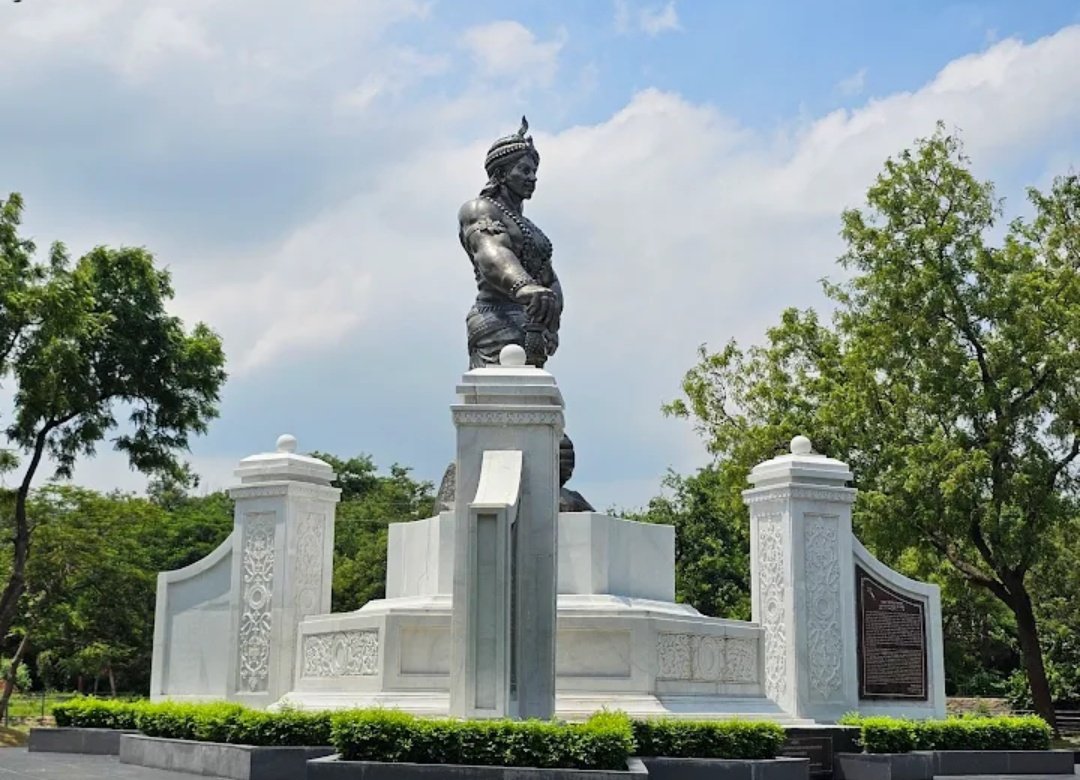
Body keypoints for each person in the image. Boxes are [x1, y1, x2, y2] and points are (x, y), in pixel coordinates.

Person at [458, 117, 562, 368]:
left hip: (533, 328)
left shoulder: (530, 228)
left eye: (534, 171)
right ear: (501, 173)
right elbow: (491, 253)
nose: (532, 178)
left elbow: (548, 278)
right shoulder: (479, 209)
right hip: (495, 318)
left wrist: (552, 319)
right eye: (524, 170)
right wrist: (526, 287)